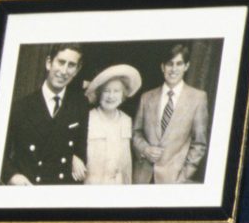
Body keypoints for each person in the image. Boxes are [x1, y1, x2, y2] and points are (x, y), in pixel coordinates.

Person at [1, 43, 89, 185]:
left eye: (71, 65)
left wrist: (73, 156)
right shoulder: (20, 107)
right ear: (49, 63)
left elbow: (80, 150)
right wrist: (12, 176)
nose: (64, 70)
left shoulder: (80, 105)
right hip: (29, 187)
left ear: (77, 70)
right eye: (60, 62)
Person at [131, 43, 209, 185]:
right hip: (142, 178)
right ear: (162, 67)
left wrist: (182, 178)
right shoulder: (146, 97)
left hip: (174, 180)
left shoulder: (198, 98)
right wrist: (145, 149)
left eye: (179, 64)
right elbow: (136, 132)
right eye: (169, 64)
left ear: (186, 66)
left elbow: (199, 144)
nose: (173, 69)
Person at [81, 63, 140, 186]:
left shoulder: (126, 120)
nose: (111, 96)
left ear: (123, 95)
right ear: (99, 94)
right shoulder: (88, 118)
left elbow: (127, 163)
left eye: (116, 91)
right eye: (106, 91)